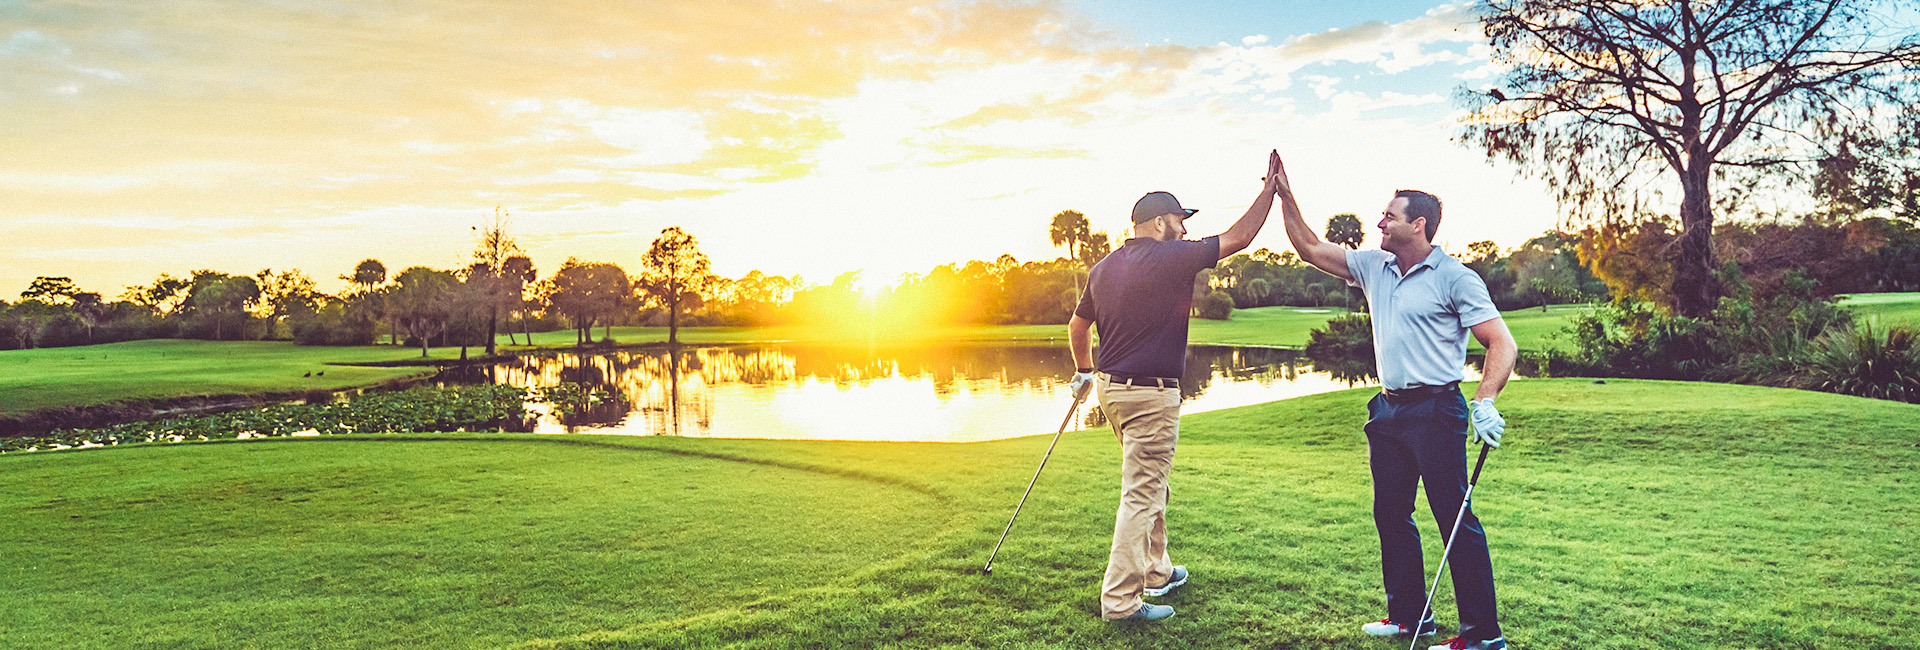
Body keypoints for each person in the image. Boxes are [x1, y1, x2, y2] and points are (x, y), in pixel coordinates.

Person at [1279, 188, 1517, 650]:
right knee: (1391, 512)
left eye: (1388, 217)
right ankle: (1410, 618)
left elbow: (1502, 344)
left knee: (1453, 518)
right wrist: (1284, 196)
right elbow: (1308, 247)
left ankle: (1483, 635)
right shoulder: (1374, 266)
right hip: (1388, 409)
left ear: (1418, 225)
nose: (1380, 223)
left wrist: (1485, 400)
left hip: (1437, 409)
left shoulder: (1455, 278)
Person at [1066, 150, 1287, 621]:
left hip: (1112, 391)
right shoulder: (1172, 256)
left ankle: (1156, 571)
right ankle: (1121, 603)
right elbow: (1241, 237)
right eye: (1180, 221)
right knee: (1142, 492)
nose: (1186, 229)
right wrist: (1269, 190)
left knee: (1150, 483)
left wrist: (1084, 372)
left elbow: (1078, 325)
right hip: (1150, 394)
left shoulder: (1104, 267)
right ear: (1161, 223)